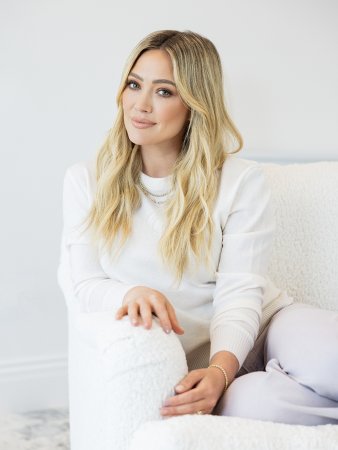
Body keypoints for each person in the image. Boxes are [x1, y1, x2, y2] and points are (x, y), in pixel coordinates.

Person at [58, 29, 338, 435]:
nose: (141, 104)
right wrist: (129, 293)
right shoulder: (85, 181)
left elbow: (240, 290)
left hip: (264, 326)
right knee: (256, 405)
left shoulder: (240, 180)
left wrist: (221, 369)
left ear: (194, 104)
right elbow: (83, 284)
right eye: (134, 85)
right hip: (198, 367)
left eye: (164, 92)